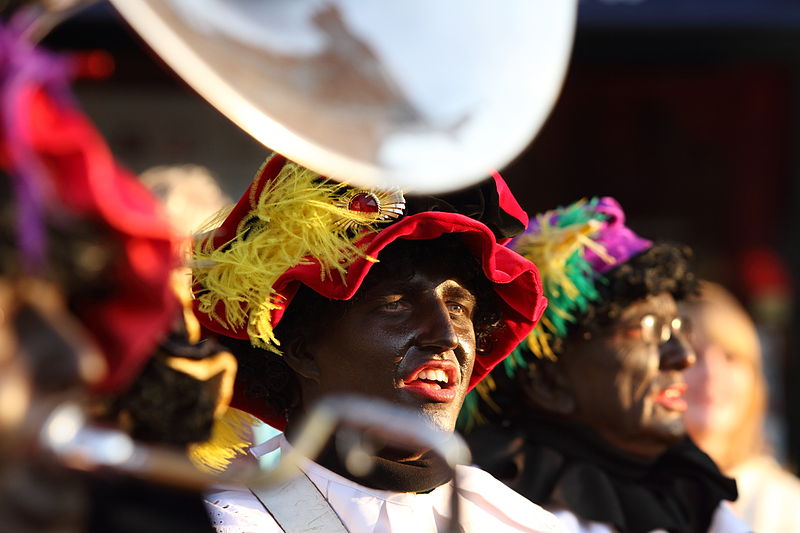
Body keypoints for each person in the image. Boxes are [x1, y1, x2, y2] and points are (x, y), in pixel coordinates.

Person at [191, 153, 566, 532]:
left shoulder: (527, 525)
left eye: (457, 307)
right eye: (396, 305)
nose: (446, 335)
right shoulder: (223, 519)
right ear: (301, 350)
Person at [461, 197, 747, 533]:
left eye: (677, 327)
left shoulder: (694, 496)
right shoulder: (488, 511)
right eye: (646, 328)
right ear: (548, 381)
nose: (683, 356)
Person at [682, 281, 800, 532]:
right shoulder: (620, 499)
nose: (712, 374)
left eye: (730, 356)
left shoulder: (786, 505)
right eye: (692, 355)